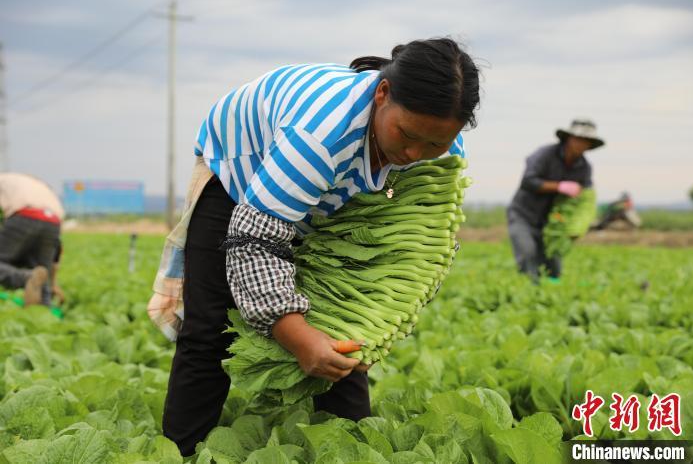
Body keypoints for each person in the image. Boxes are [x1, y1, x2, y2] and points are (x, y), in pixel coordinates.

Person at [147, 37, 480, 456]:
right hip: (240, 172)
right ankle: (181, 449)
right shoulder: (320, 136)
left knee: (344, 318)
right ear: (382, 94)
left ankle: (348, 446)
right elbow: (254, 241)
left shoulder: (437, 156)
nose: (414, 153)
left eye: (435, 143)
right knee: (208, 327)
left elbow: (413, 247)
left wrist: (366, 321)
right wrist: (298, 336)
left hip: (336, 192)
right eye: (406, 134)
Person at [507, 119, 605, 282]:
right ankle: (528, 292)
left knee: (553, 263)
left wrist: (576, 227)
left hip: (552, 223)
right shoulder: (545, 155)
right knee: (528, 253)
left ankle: (550, 295)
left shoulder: (584, 168)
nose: (581, 145)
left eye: (586, 142)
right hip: (523, 215)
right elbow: (528, 181)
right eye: (578, 139)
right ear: (568, 138)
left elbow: (585, 201)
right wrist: (559, 186)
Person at [0, 173, 65, 306]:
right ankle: (46, 314)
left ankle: (24, 277)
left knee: (8, 265)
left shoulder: (4, 180)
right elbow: (56, 252)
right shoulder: (42, 187)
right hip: (54, 222)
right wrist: (52, 284)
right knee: (41, 272)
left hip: (24, 215)